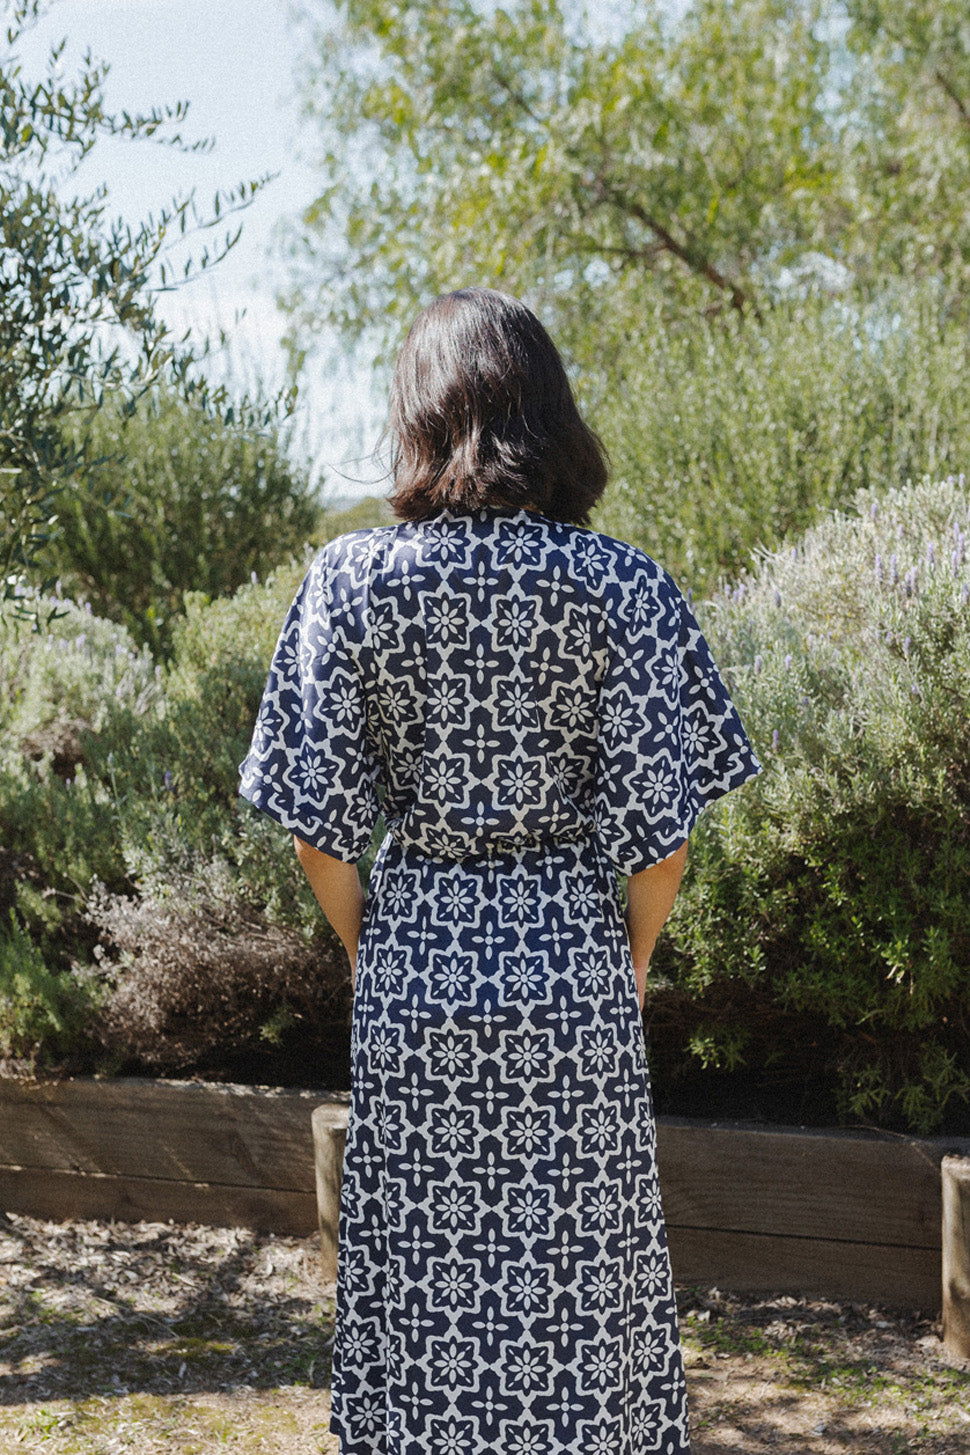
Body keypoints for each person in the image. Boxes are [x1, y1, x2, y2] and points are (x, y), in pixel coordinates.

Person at [238, 286, 762, 1455]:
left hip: (416, 969)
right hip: (573, 966)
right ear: (549, 415)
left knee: (422, 1300)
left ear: (419, 418)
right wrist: (622, 963)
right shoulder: (622, 587)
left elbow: (317, 833)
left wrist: (382, 952)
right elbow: (662, 838)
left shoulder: (349, 583)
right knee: (584, 1295)